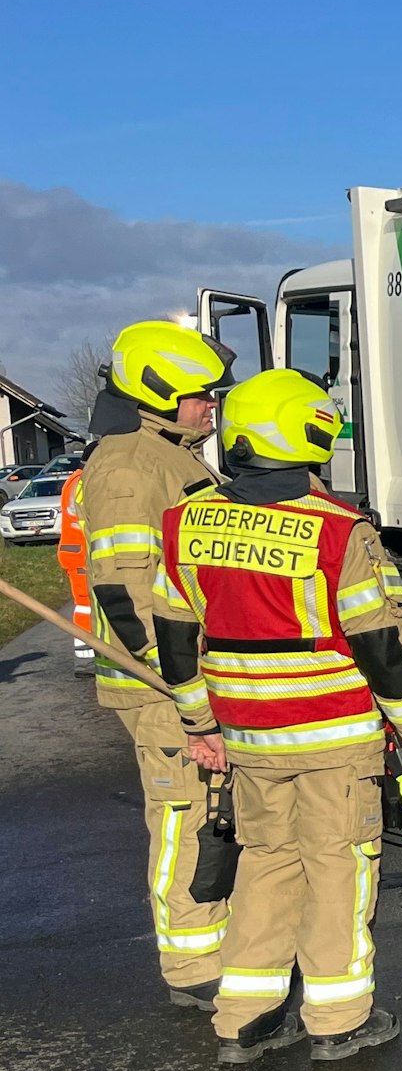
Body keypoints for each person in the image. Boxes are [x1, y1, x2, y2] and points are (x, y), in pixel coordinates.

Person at [152, 368, 402, 1064]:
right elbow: (381, 646)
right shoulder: (337, 533)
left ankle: (242, 1020)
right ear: (304, 433)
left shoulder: (187, 520)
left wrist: (200, 726)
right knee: (340, 867)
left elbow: (172, 635)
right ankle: (339, 1018)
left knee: (265, 866)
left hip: (249, 737)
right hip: (333, 737)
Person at [75, 320, 231, 1010]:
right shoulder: (131, 465)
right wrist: (177, 677)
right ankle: (193, 968)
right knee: (182, 815)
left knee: (207, 813)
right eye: (201, 394)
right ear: (159, 394)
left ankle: (216, 942)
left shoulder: (171, 455)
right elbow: (125, 586)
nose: (212, 404)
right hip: (162, 685)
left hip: (186, 678)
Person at [57, 466, 94, 674]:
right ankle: (85, 659)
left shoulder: (75, 479)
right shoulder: (81, 481)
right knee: (85, 605)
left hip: (77, 551)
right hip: (80, 553)